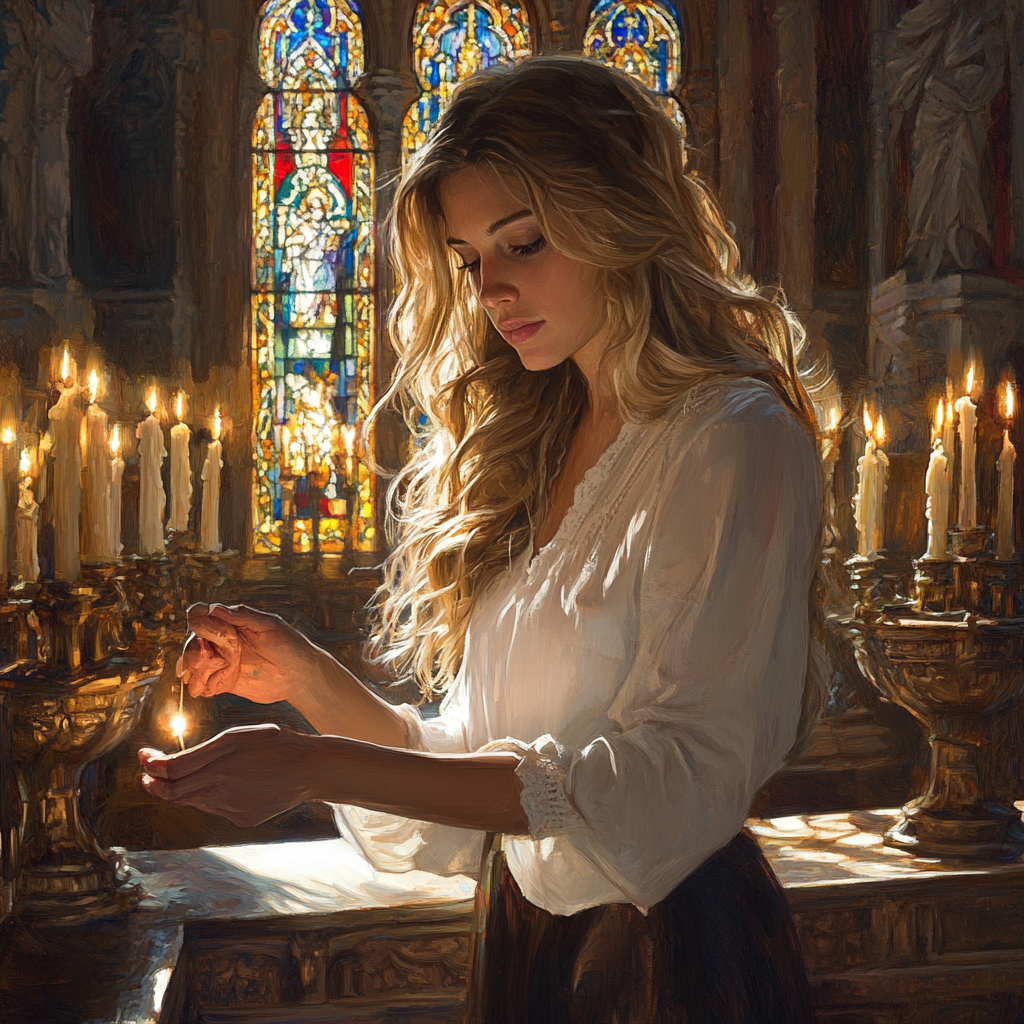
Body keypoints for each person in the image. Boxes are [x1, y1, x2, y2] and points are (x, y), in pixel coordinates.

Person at [141, 55, 824, 1023]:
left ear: (618, 213)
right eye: (470, 260)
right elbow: (472, 768)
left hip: (672, 964)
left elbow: (672, 781)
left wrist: (313, 767)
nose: (492, 288)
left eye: (524, 242)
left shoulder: (733, 441)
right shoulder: (541, 446)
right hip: (521, 949)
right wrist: (306, 685)